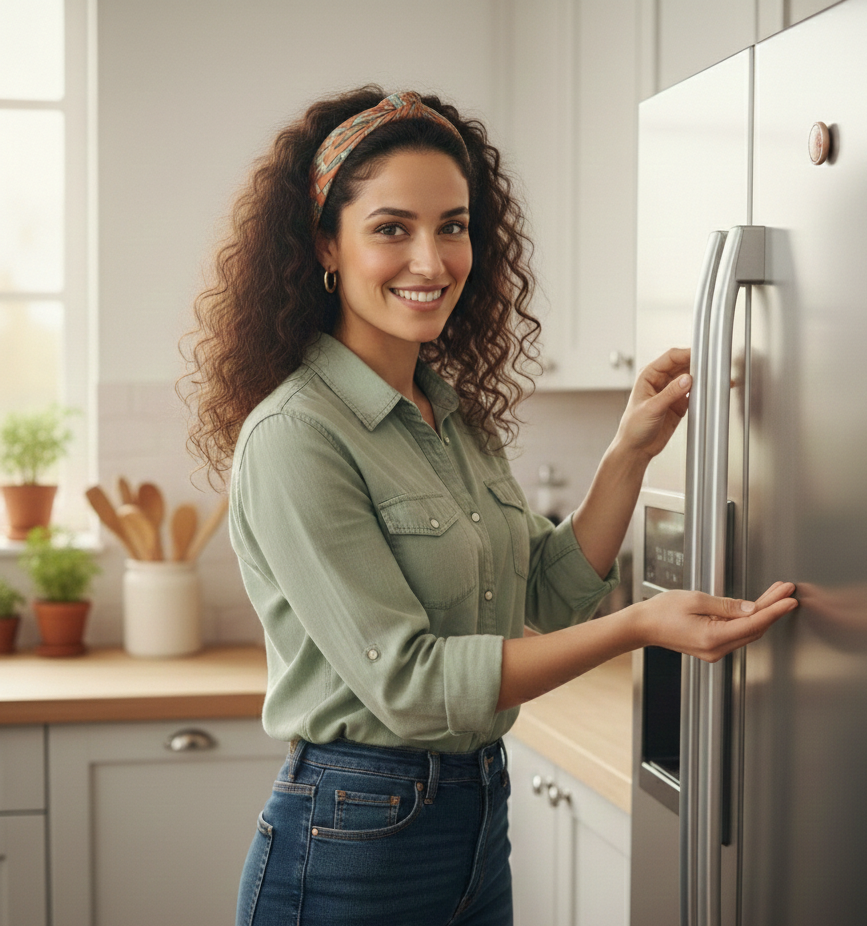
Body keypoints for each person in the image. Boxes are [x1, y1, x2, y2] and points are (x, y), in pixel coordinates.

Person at [181, 86, 797, 926]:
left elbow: (548, 590)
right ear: (326, 243)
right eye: (392, 228)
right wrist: (640, 626)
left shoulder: (448, 413)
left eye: (454, 226)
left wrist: (630, 450)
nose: (432, 262)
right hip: (354, 838)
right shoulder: (296, 436)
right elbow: (411, 684)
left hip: (475, 817)